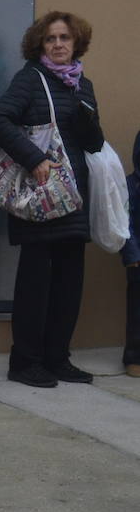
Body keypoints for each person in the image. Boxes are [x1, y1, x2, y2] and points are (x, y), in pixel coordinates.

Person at [0, 11, 104, 388]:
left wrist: (89, 127)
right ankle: (25, 362)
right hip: (40, 199)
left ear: (76, 43)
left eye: (64, 38)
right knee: (36, 284)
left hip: (74, 198)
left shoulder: (82, 84)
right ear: (40, 45)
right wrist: (34, 158)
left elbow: (93, 143)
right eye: (50, 39)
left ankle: (57, 359)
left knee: (69, 283)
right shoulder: (30, 80)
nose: (58, 45)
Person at [122, 130, 140, 377]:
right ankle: (134, 355)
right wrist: (132, 254)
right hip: (138, 259)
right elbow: (123, 222)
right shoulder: (131, 185)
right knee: (137, 308)